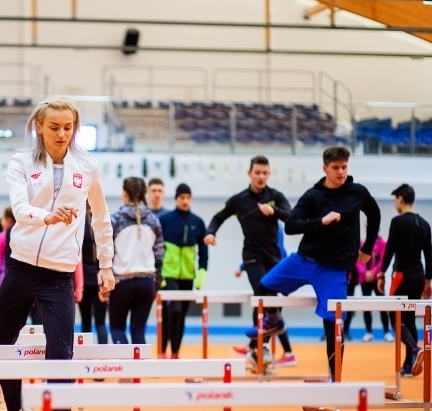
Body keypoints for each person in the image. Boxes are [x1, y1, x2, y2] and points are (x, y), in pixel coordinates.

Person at [0, 97, 114, 411]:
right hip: (22, 267)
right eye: (54, 127)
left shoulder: (88, 167)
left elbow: (102, 219)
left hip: (60, 276)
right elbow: (20, 208)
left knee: (61, 360)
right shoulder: (20, 162)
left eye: (68, 127)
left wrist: (107, 265)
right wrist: (47, 217)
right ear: (39, 127)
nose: (62, 134)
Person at [248, 146, 380, 381]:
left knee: (333, 322)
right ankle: (275, 323)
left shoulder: (357, 192)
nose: (340, 172)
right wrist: (321, 222)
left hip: (335, 269)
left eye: (344, 167)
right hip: (303, 260)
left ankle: (335, 378)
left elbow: (375, 214)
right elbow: (291, 225)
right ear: (325, 168)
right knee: (264, 287)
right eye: (335, 168)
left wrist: (367, 249)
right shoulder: (313, 196)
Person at [203, 155, 295, 370]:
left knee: (273, 303)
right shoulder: (239, 200)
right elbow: (218, 217)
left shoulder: (275, 196)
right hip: (252, 256)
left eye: (265, 173)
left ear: (269, 174)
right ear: (249, 174)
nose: (261, 176)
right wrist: (210, 233)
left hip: (274, 258)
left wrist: (274, 211)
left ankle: (256, 346)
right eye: (257, 173)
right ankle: (260, 346)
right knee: (262, 294)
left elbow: (291, 217)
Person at [377, 184, 432, 377]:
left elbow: (390, 249)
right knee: (410, 320)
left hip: (402, 275)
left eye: (394, 200)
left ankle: (415, 350)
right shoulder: (425, 224)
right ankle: (409, 364)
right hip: (419, 276)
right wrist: (428, 281)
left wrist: (381, 273)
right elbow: (429, 254)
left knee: (395, 319)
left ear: (400, 199)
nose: (394, 204)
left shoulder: (397, 222)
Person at [106, 177, 163, 345]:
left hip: (122, 283)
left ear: (124, 194)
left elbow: (106, 253)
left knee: (117, 329)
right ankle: (139, 371)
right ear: (145, 193)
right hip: (146, 282)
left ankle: (123, 370)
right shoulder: (154, 220)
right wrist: (156, 283)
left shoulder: (114, 220)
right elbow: (159, 255)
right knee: (138, 331)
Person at [158, 183, 208, 359]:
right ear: (176, 199)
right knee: (172, 311)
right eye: (182, 198)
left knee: (181, 316)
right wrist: (159, 274)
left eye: (188, 197)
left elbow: (203, 250)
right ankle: (162, 350)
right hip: (168, 276)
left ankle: (176, 352)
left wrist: (202, 272)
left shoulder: (198, 222)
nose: (185, 201)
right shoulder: (165, 220)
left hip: (188, 276)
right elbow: (156, 248)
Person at [343, 232, 393, 343]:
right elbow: (358, 260)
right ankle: (368, 332)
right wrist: (364, 272)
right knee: (366, 305)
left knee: (383, 305)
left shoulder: (383, 243)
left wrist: (374, 272)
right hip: (365, 279)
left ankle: (387, 332)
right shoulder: (361, 243)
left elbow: (383, 259)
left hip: (378, 279)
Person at [77, 203, 108, 345]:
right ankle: (103, 354)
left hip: (83, 278)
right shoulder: (101, 222)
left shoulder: (79, 224)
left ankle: (85, 355)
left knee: (86, 321)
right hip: (100, 278)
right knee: (101, 322)